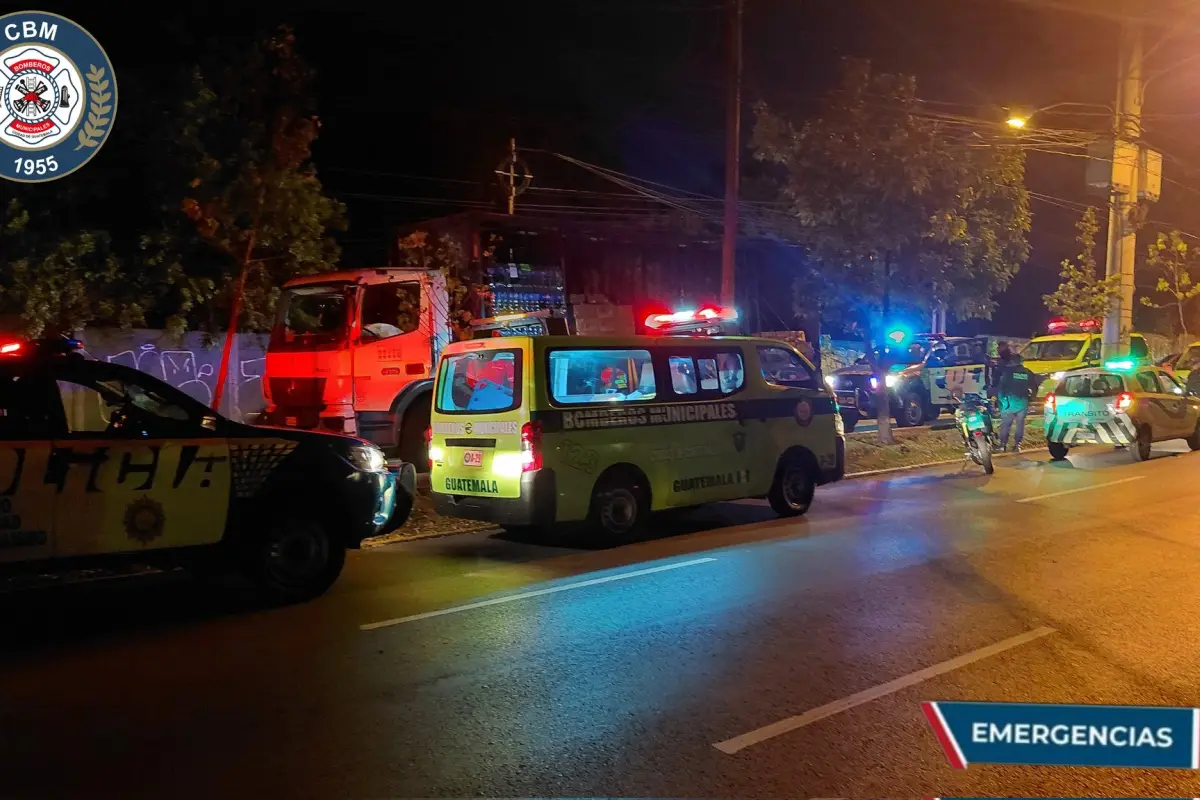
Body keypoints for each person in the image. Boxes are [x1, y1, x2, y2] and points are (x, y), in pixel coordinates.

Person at [992, 344, 1034, 452]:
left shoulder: (1008, 372)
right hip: (1022, 403)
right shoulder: (1028, 372)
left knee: (1006, 424)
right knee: (1020, 425)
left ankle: (1003, 445)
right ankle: (1017, 445)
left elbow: (1001, 387)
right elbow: (1034, 386)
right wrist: (1030, 398)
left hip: (1008, 403)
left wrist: (999, 400)